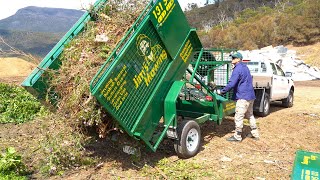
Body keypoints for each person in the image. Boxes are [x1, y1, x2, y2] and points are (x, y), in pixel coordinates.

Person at [217, 52, 260, 142]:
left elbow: (232, 83)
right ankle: (255, 133)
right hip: (250, 96)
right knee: (250, 115)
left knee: (238, 116)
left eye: (233, 58)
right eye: (232, 58)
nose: (232, 59)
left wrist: (221, 91)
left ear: (238, 59)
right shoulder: (245, 67)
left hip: (243, 97)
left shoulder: (237, 69)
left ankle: (237, 136)